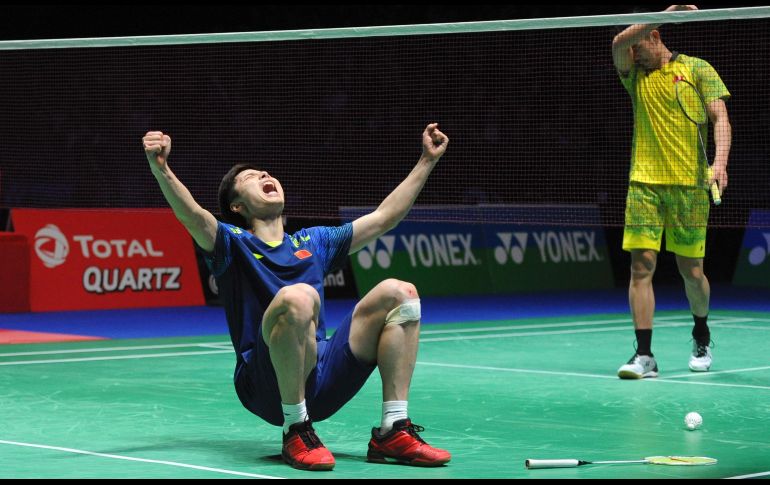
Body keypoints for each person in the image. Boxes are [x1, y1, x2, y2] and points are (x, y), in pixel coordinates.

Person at [143, 124, 451, 471]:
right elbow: (193, 216)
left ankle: (392, 429)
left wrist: (427, 160)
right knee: (299, 297)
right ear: (237, 206)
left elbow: (383, 218)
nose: (264, 174)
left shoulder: (313, 242)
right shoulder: (231, 243)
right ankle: (296, 429)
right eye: (250, 177)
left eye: (265, 172)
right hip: (265, 387)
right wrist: (161, 168)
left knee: (400, 293)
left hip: (321, 377)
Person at [611, 5, 731, 379]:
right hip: (644, 183)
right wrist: (671, 11)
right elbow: (618, 41)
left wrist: (720, 162)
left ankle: (701, 333)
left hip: (690, 187)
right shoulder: (634, 74)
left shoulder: (697, 69)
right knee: (640, 266)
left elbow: (720, 118)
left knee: (691, 271)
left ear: (656, 37)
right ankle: (644, 355)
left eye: (639, 46)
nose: (632, 54)